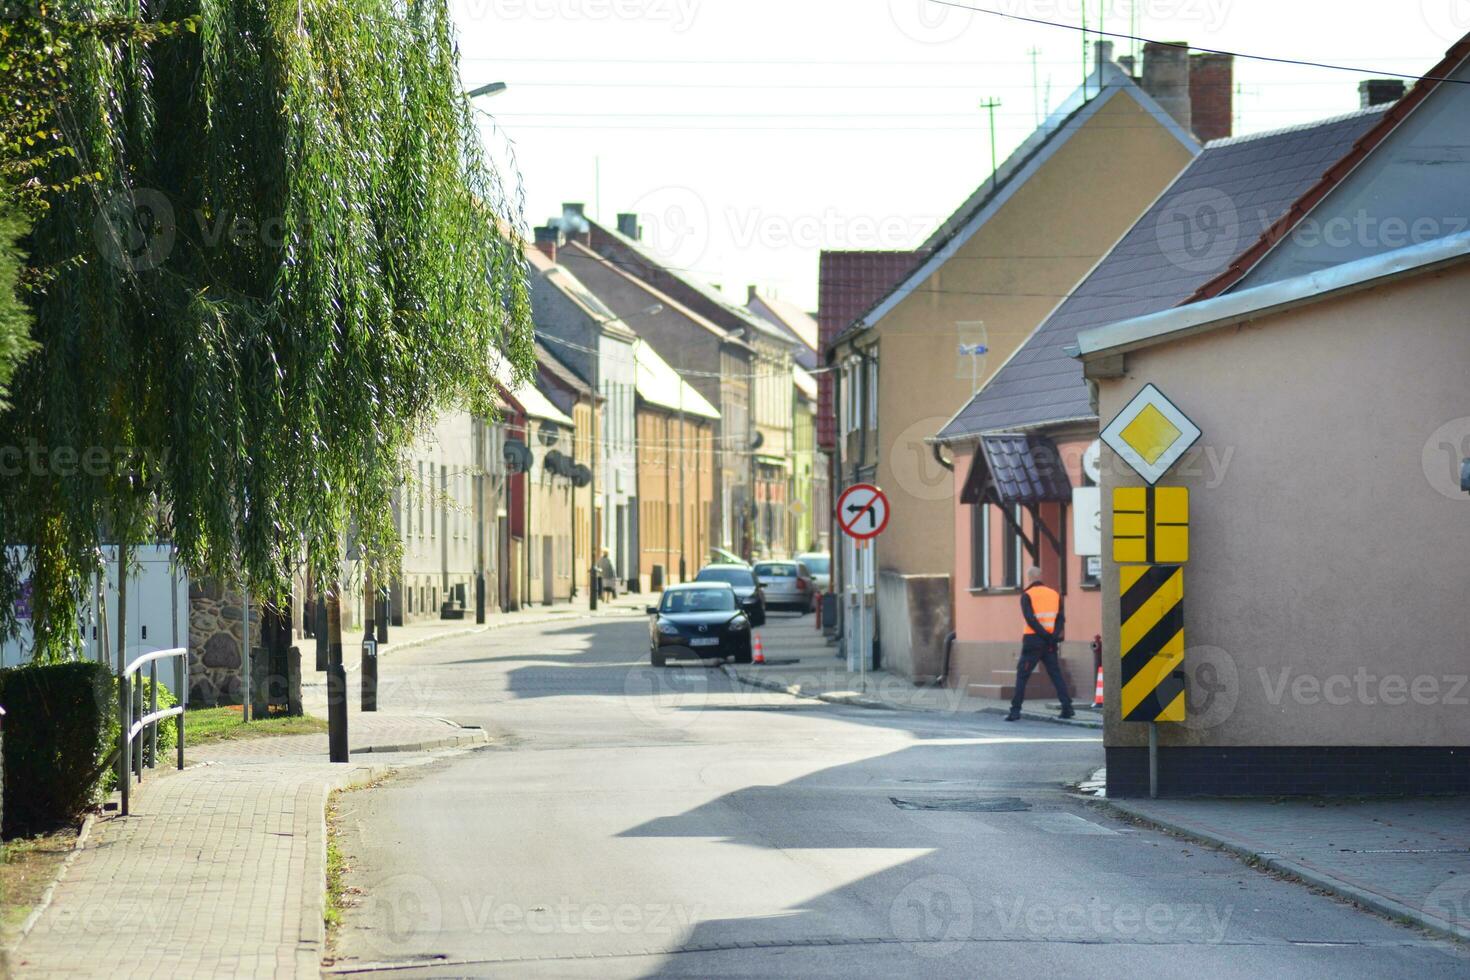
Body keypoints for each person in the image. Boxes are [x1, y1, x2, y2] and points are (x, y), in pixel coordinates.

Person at [1005, 566, 1075, 721]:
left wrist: (1043, 635)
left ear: (1029, 577)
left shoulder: (1027, 595)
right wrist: (1052, 637)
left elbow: (1030, 619)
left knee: (1022, 675)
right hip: (1050, 643)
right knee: (1056, 674)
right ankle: (1067, 708)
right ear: (1041, 576)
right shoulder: (1054, 594)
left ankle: (1015, 711)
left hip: (1033, 641)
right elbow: (1061, 619)